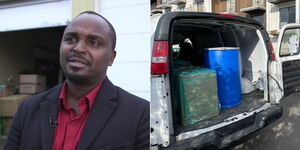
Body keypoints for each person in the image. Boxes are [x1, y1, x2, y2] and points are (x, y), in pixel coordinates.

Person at [4, 11, 149, 150]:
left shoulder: (141, 115)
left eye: (94, 42)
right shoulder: (28, 109)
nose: (78, 48)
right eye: (70, 39)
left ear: (111, 57)